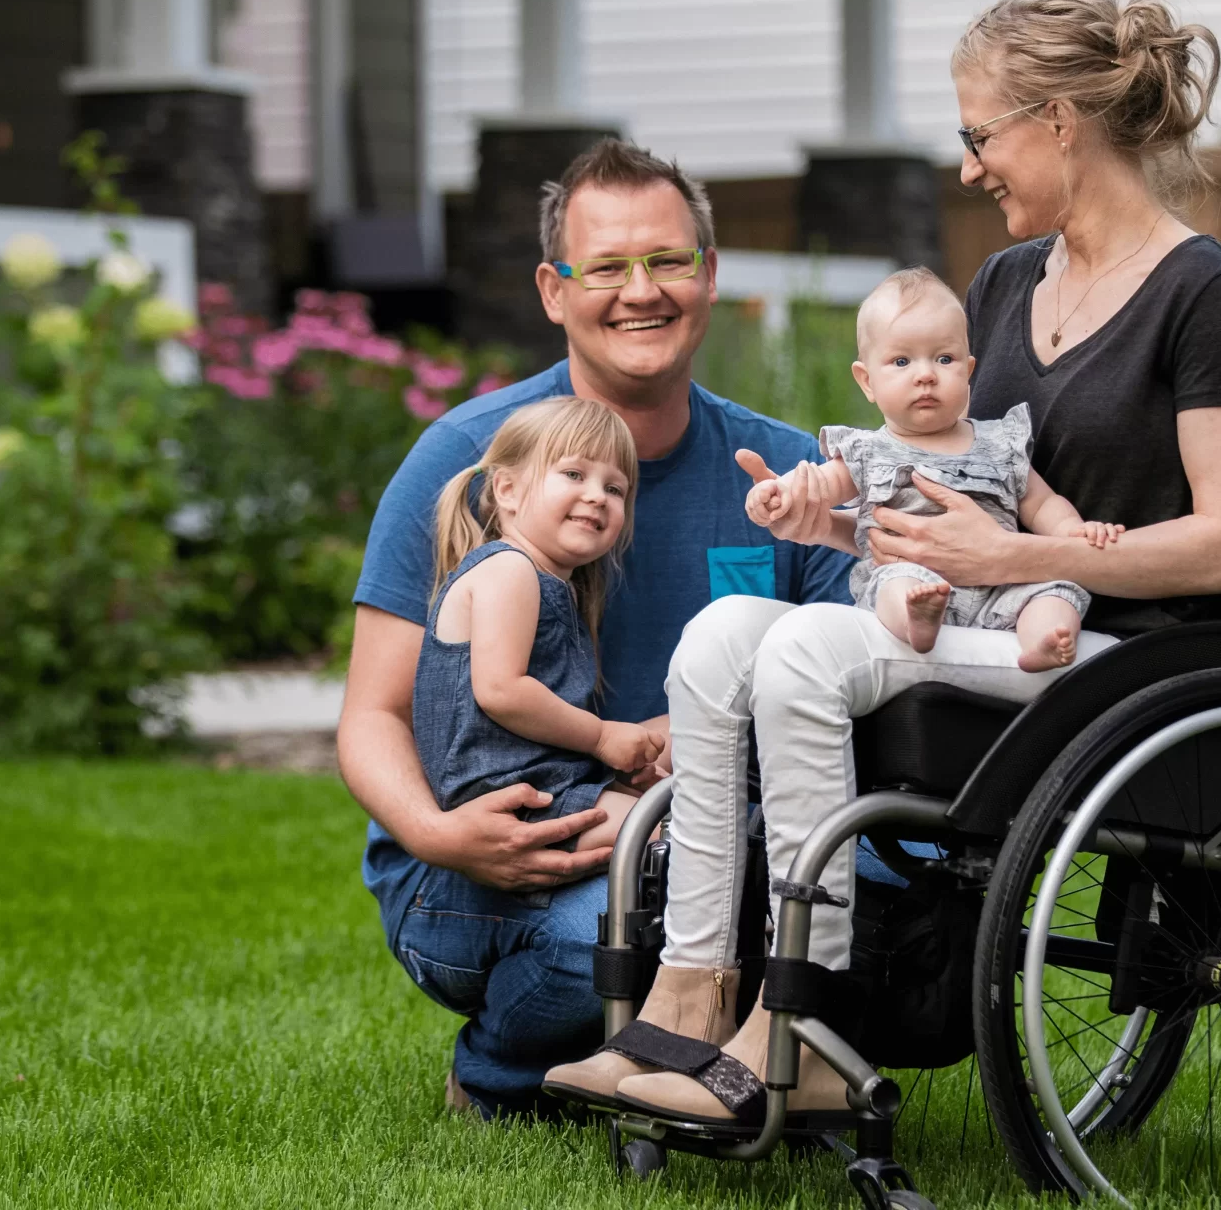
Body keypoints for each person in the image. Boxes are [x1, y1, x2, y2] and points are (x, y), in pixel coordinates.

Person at [568, 0, 1221, 1127]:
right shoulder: (1006, 284)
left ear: (1056, 121)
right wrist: (837, 521)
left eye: (977, 135)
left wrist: (1008, 560)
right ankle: (692, 986)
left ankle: (804, 1014)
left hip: (1109, 657)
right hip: (963, 625)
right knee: (719, 642)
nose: (967, 167)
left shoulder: (1206, 299)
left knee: (802, 650)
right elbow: (952, 478)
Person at [338, 138, 855, 1119]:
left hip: (706, 843)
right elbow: (371, 711)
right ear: (551, 288)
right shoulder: (466, 457)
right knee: (594, 942)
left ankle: (713, 1055)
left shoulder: (781, 477)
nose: (640, 291)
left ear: (707, 275)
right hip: (491, 862)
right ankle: (495, 1074)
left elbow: (847, 696)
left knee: (874, 926)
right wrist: (440, 832)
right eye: (605, 266)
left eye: (666, 260)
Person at [742, 267, 1124, 674]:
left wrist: (1072, 532)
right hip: (914, 576)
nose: (925, 374)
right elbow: (818, 484)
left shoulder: (999, 442)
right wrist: (779, 494)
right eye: (902, 361)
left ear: (969, 370)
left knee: (1054, 592)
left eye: (944, 358)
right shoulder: (868, 452)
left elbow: (1040, 501)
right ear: (867, 381)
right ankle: (917, 621)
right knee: (894, 583)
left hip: (1002, 584)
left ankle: (1045, 640)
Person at [415, 397, 661, 857]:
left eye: (615, 489)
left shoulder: (547, 582)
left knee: (677, 752)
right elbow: (502, 691)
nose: (596, 495)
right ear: (506, 489)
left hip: (546, 779)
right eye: (574, 474)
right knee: (666, 829)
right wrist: (603, 738)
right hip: (508, 797)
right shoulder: (508, 570)